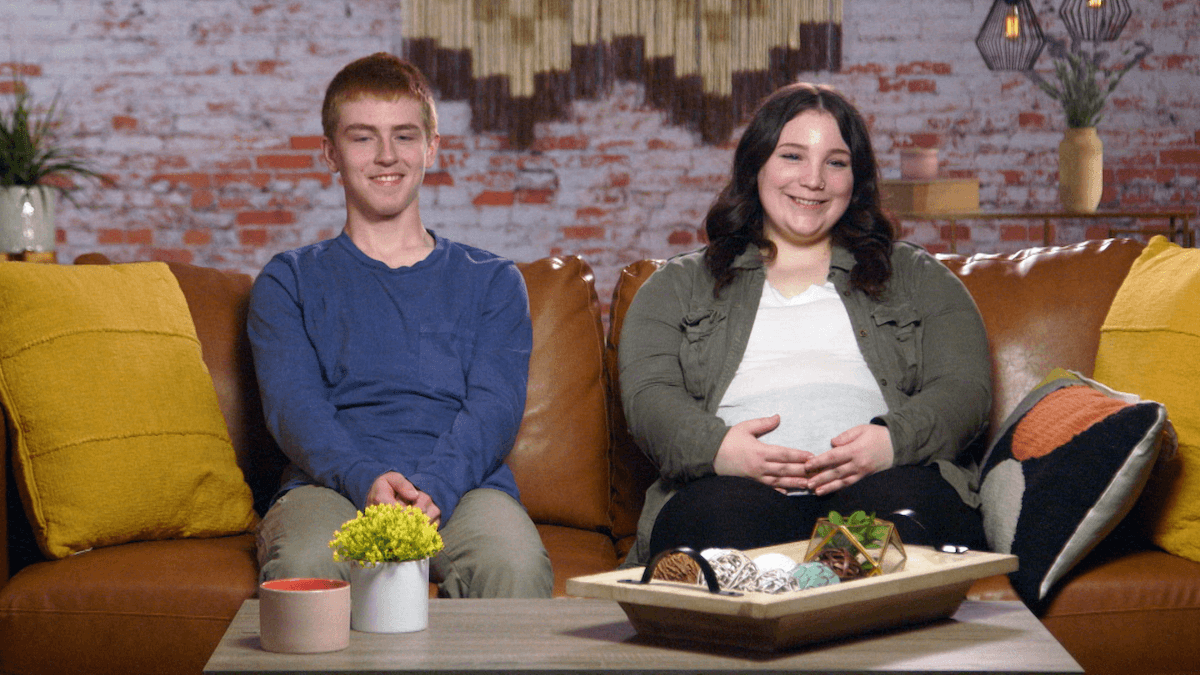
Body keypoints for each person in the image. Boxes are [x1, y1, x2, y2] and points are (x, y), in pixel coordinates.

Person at [618, 83, 992, 567]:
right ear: (756, 165)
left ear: (855, 179)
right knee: (714, 536)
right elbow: (648, 397)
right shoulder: (675, 288)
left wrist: (892, 442)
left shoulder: (920, 278)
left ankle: (841, 602)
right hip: (732, 495)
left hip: (884, 486)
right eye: (792, 156)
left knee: (906, 521)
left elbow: (966, 389)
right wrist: (719, 450)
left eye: (835, 162)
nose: (813, 180)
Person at [248, 52, 552, 598]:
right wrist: (364, 477)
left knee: (514, 566)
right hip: (329, 487)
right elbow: (294, 408)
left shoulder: (494, 281)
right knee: (307, 560)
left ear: (432, 147)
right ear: (330, 153)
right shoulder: (287, 280)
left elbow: (494, 407)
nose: (387, 155)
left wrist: (435, 487)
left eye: (405, 136)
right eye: (363, 137)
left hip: (464, 489)